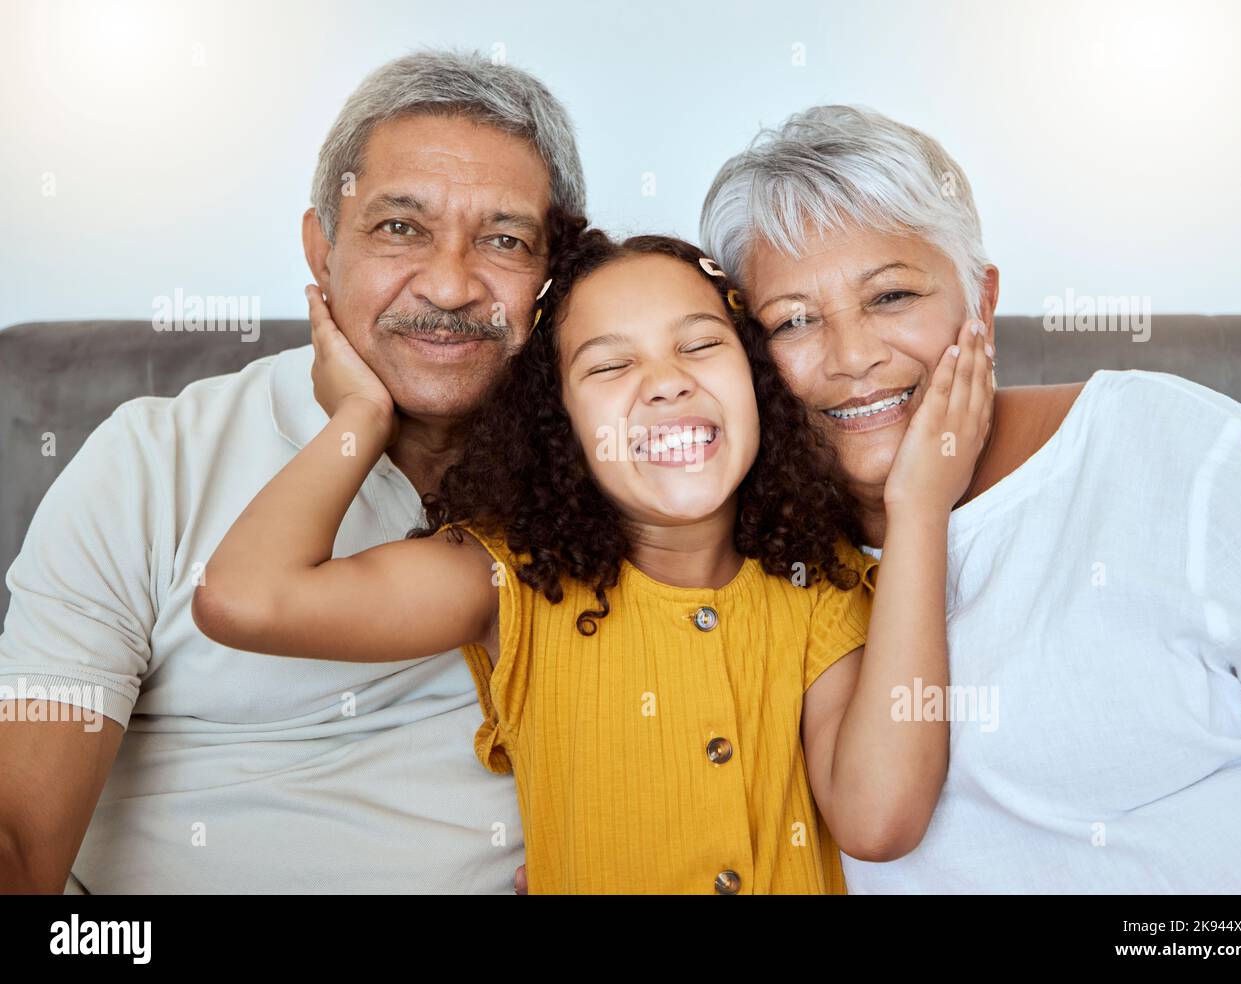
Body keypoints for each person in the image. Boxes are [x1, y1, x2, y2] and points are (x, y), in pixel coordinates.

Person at [192, 221, 996, 893]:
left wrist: (919, 507)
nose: (665, 385)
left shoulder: (823, 589)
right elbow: (244, 598)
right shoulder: (509, 579)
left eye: (701, 346)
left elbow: (879, 820)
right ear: (560, 425)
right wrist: (360, 417)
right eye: (610, 365)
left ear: (759, 384)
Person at [0, 49, 584, 894]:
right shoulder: (149, 461)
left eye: (504, 239)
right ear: (322, 247)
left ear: (554, 274)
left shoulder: (614, 470)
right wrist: (357, 427)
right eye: (401, 227)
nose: (453, 285)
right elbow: (19, 837)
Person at [700, 104, 1241, 892]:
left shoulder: (1171, 447)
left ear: (980, 303)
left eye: (890, 298)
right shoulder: (748, 547)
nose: (853, 357)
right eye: (795, 321)